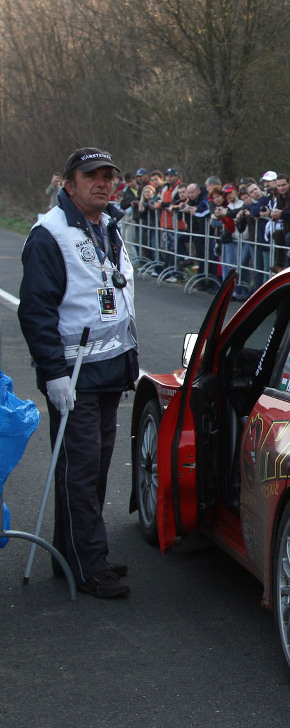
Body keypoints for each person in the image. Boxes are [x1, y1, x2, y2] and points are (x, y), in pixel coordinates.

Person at [18, 147, 139, 598]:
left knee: (95, 468)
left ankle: (76, 555)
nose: (103, 183)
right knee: (80, 471)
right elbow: (36, 310)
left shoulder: (108, 225)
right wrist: (53, 373)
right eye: (92, 176)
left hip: (108, 369)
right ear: (69, 184)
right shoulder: (49, 235)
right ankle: (88, 566)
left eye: (109, 176)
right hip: (74, 374)